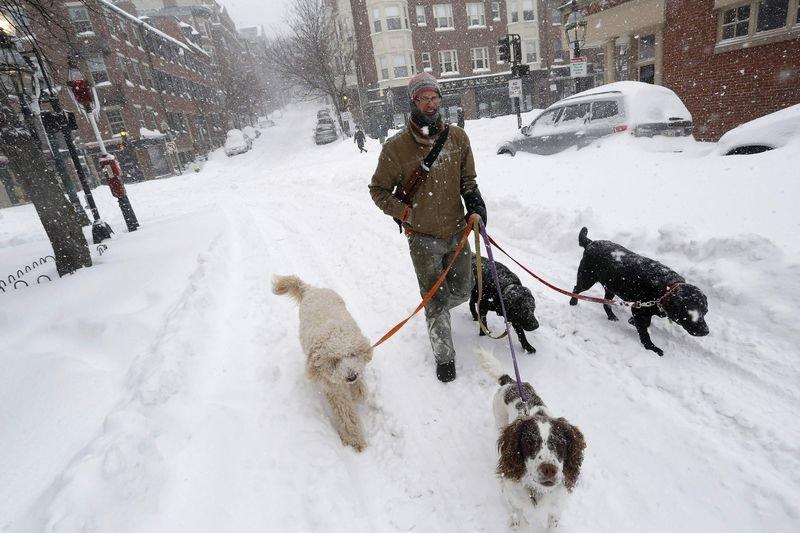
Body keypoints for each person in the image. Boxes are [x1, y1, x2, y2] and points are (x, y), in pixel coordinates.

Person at [368, 72, 487, 383]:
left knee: (463, 290)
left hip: (457, 232)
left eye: (434, 98)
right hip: (422, 238)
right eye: (424, 99)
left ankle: (437, 308)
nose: (431, 104)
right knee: (434, 300)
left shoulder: (457, 138)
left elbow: (468, 180)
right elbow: (378, 190)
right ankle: (444, 356)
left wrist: (475, 203)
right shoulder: (396, 148)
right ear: (413, 102)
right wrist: (404, 212)